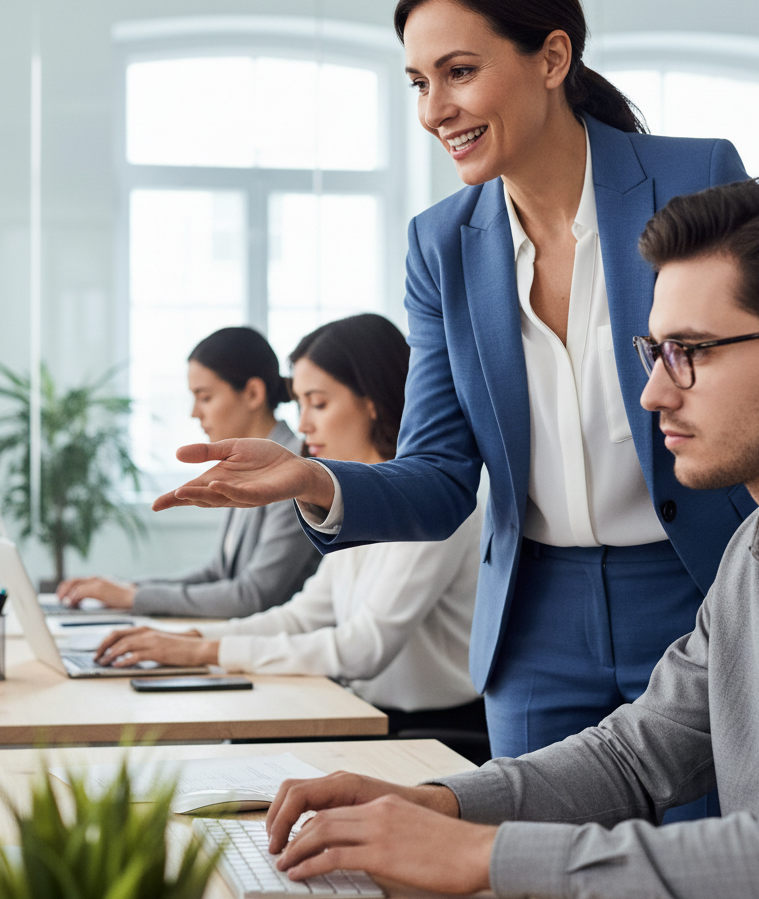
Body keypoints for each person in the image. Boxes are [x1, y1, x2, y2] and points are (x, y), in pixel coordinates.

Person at [150, 0, 754, 785]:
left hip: (695, 594)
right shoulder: (442, 245)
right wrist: (309, 480)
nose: (435, 109)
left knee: (700, 872)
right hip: (537, 622)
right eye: (418, 83)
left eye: (459, 71)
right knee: (528, 878)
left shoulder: (693, 181)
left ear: (552, 57)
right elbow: (438, 476)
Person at [257, 178, 759, 899]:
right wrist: (437, 806)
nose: (651, 394)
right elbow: (631, 757)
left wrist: (482, 854)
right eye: (655, 349)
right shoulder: (751, 554)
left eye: (692, 352)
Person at [98, 314, 486, 745]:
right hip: (364, 711)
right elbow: (305, 615)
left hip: (431, 732)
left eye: (318, 404)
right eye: (300, 404)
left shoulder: (437, 502)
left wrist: (207, 651)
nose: (302, 425)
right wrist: (192, 637)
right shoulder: (358, 493)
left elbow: (364, 647)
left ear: (373, 400)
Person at [57, 327, 320, 618]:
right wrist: (125, 589)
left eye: (204, 397)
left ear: (253, 393)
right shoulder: (245, 462)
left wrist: (134, 597)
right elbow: (218, 572)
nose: (194, 413)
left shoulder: (293, 468)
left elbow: (251, 595)